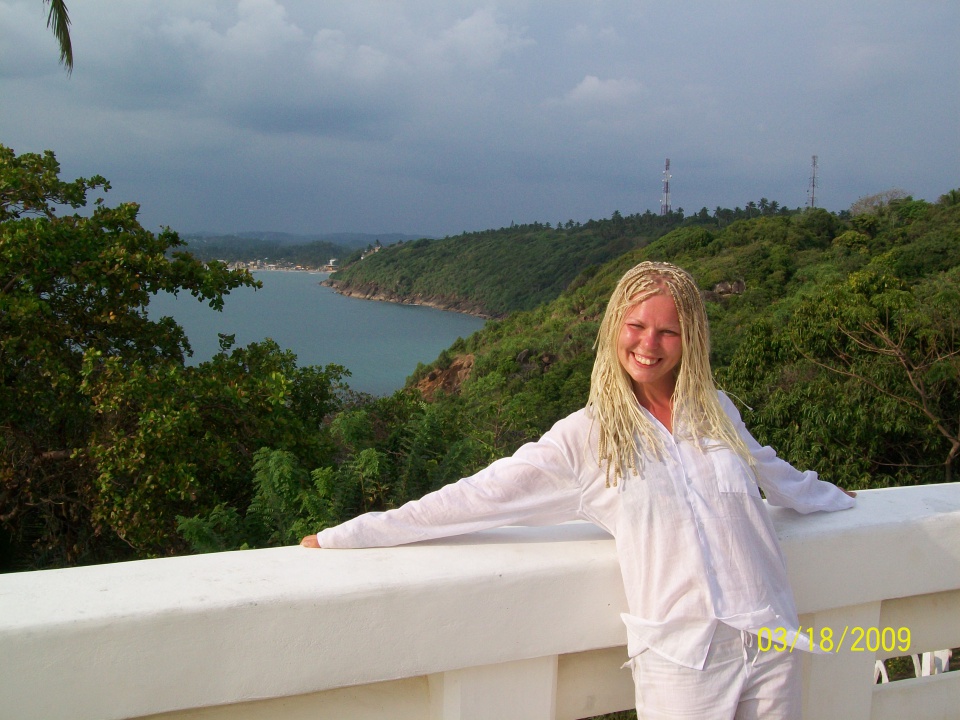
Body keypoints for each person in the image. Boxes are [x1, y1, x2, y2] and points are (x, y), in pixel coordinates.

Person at [301, 261, 856, 719]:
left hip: (768, 638)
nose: (649, 344)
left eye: (668, 331)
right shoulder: (588, 437)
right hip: (684, 659)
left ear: (691, 338)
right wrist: (350, 534)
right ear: (614, 326)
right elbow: (476, 497)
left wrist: (840, 499)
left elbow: (772, 472)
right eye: (636, 326)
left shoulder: (716, 409)